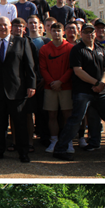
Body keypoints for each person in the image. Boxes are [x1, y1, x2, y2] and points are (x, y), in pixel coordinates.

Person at [53, 23, 105, 162]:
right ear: (81, 34)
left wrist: (101, 84)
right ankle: (60, 149)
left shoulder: (100, 49)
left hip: (101, 91)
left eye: (92, 32)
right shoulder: (77, 50)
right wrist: (96, 83)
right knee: (75, 120)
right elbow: (78, 71)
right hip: (83, 91)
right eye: (86, 32)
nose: (90, 35)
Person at [0, 16, 36, 162]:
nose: (2, 27)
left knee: (20, 124)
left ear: (10, 26)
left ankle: (23, 152)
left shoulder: (22, 42)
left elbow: (29, 66)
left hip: (17, 91)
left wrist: (32, 85)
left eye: (5, 25)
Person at [39, 22, 74, 153]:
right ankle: (54, 141)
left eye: (59, 30)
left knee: (67, 115)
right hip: (50, 87)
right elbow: (42, 68)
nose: (56, 33)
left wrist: (61, 81)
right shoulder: (44, 49)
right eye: (54, 31)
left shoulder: (70, 48)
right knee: (52, 115)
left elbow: (71, 68)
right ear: (50, 32)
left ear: (63, 32)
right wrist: (52, 82)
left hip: (66, 86)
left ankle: (67, 141)